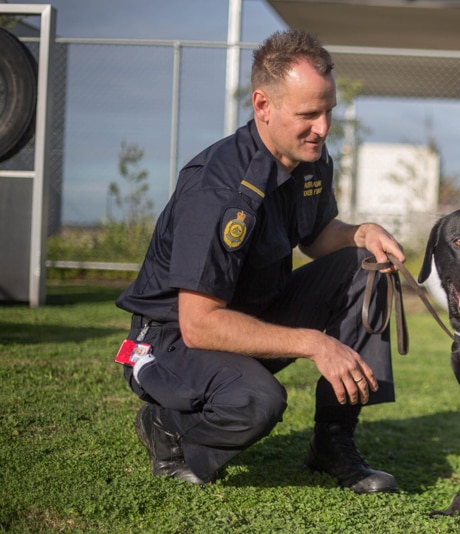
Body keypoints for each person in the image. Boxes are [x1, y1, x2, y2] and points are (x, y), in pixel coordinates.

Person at [115, 29, 403, 494]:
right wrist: (313, 343)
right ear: (263, 106)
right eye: (308, 115)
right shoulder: (218, 188)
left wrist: (360, 233)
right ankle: (165, 426)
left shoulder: (309, 158)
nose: (323, 128)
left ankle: (333, 442)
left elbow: (315, 236)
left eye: (328, 111)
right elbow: (199, 325)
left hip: (248, 318)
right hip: (172, 342)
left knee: (365, 269)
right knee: (257, 402)